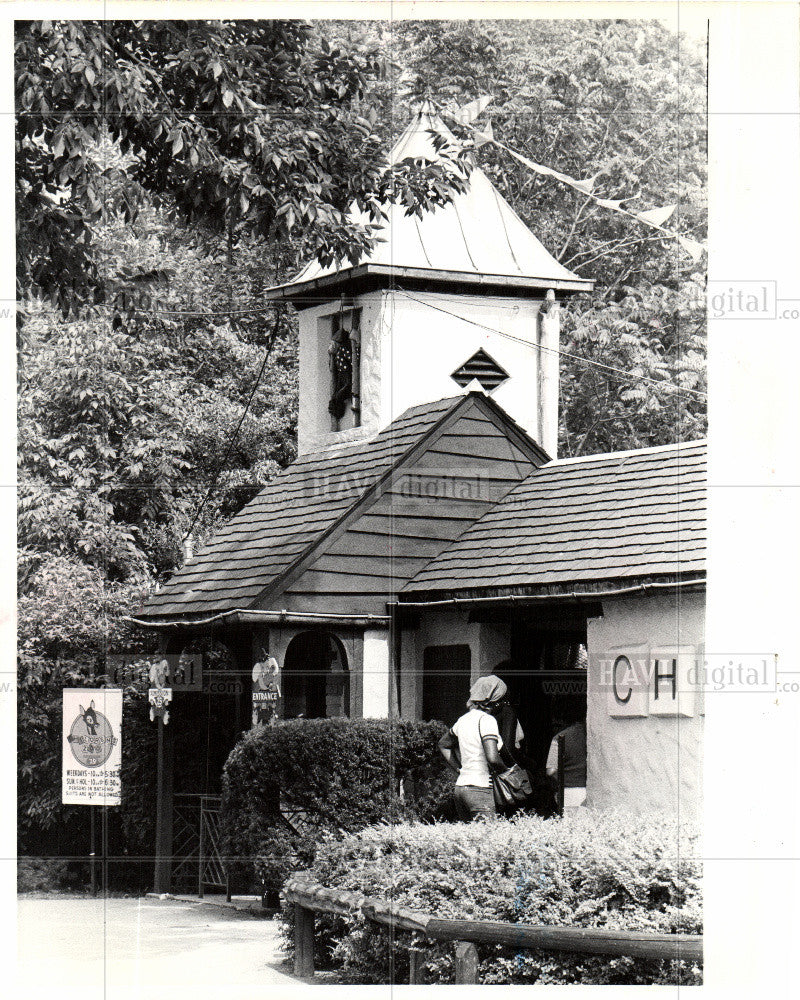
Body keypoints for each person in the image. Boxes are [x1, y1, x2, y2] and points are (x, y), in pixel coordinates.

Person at [438, 674, 507, 821]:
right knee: (487, 838)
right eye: (501, 701)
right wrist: (507, 771)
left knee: (470, 839)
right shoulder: (487, 720)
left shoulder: (463, 720)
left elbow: (443, 745)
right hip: (480, 788)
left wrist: (459, 769)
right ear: (493, 701)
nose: (502, 705)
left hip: (461, 787)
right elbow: (493, 758)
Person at [545, 701, 587, 810]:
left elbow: (551, 771)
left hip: (568, 791)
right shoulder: (592, 735)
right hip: (588, 789)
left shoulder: (559, 738)